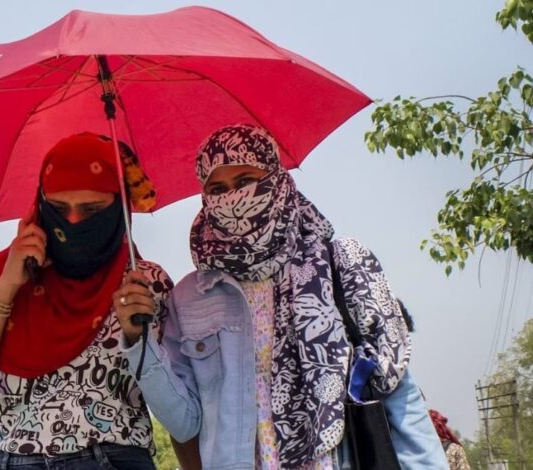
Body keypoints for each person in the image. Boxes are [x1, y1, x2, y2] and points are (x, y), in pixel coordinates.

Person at [115, 124, 447, 469]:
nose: (233, 198)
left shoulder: (342, 263)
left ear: (275, 178)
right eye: (217, 188)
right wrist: (138, 341)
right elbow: (184, 422)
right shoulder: (189, 297)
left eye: (245, 181)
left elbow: (398, 394)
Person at [0, 133, 172, 470]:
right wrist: (6, 287)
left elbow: (179, 410)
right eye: (59, 209)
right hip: (10, 459)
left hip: (112, 458)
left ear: (119, 207)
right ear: (40, 204)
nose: (73, 222)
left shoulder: (144, 283)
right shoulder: (3, 272)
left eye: (92, 210)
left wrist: (138, 338)